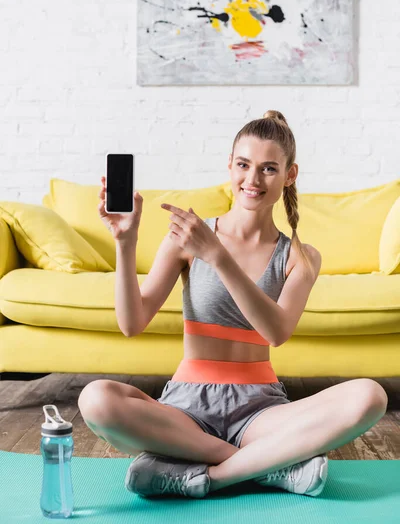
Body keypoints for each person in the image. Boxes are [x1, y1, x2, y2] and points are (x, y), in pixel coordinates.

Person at [78, 110, 388, 499]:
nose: (253, 180)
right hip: (186, 408)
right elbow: (131, 323)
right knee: (95, 399)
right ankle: (265, 467)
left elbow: (276, 332)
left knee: (370, 396)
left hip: (261, 411)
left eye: (268, 168)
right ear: (230, 166)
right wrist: (125, 243)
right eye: (243, 165)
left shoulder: (301, 257)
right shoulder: (188, 237)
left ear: (290, 175)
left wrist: (218, 257)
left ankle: (211, 475)